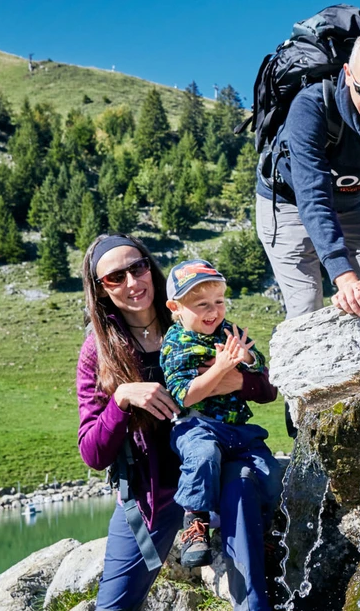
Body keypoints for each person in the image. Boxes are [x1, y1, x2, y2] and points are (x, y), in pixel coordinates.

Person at [74, 234, 274, 611]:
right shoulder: (98, 352)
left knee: (251, 585)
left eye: (138, 267)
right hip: (153, 493)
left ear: (150, 268)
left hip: (222, 466)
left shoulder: (196, 312)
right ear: (100, 290)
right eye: (116, 277)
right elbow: (93, 453)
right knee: (113, 607)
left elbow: (266, 389)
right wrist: (121, 399)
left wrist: (237, 380)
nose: (132, 282)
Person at [255, 30, 360, 320]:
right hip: (289, 201)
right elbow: (313, 198)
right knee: (306, 307)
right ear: (348, 75)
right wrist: (343, 275)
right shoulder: (310, 109)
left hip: (351, 203)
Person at [158, 259, 281, 611]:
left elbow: (260, 366)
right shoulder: (176, 344)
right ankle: (195, 521)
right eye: (201, 305)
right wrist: (223, 368)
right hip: (196, 425)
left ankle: (267, 528)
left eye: (219, 301)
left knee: (269, 471)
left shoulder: (228, 331)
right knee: (202, 456)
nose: (213, 312)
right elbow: (184, 395)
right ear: (175, 308)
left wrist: (248, 359)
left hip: (236, 428)